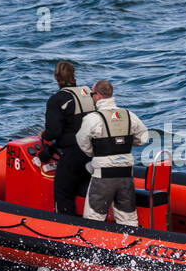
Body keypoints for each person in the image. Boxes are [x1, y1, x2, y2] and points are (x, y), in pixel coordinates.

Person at [76, 79, 150, 227]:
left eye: (91, 94)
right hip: (126, 175)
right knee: (128, 219)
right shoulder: (129, 115)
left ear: (97, 96)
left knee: (94, 218)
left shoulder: (92, 118)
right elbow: (143, 138)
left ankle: (92, 248)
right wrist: (125, 141)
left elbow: (82, 142)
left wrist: (95, 153)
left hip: (103, 176)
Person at [39, 61, 96, 214]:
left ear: (56, 77)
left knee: (63, 193)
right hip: (95, 151)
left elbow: (54, 132)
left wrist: (44, 135)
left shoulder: (56, 100)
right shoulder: (89, 93)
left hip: (74, 154)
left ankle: (67, 231)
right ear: (73, 75)